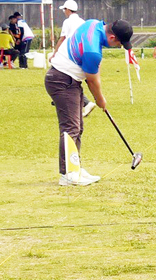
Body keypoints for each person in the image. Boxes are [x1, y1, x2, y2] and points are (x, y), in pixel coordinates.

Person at [44, 18, 134, 186]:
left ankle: (75, 167)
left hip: (68, 80)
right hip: (61, 80)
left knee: (78, 127)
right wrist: (101, 100)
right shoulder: (93, 51)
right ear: (113, 37)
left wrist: (100, 98)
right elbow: (92, 81)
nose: (119, 47)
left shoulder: (92, 24)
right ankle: (68, 174)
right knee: (70, 128)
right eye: (120, 44)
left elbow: (93, 72)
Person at [56, 0, 96, 115]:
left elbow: (62, 38)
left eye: (64, 9)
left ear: (68, 10)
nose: (64, 12)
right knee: (72, 80)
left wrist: (55, 53)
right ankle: (80, 103)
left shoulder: (67, 22)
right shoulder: (83, 22)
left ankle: (85, 102)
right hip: (82, 54)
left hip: (69, 54)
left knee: (64, 79)